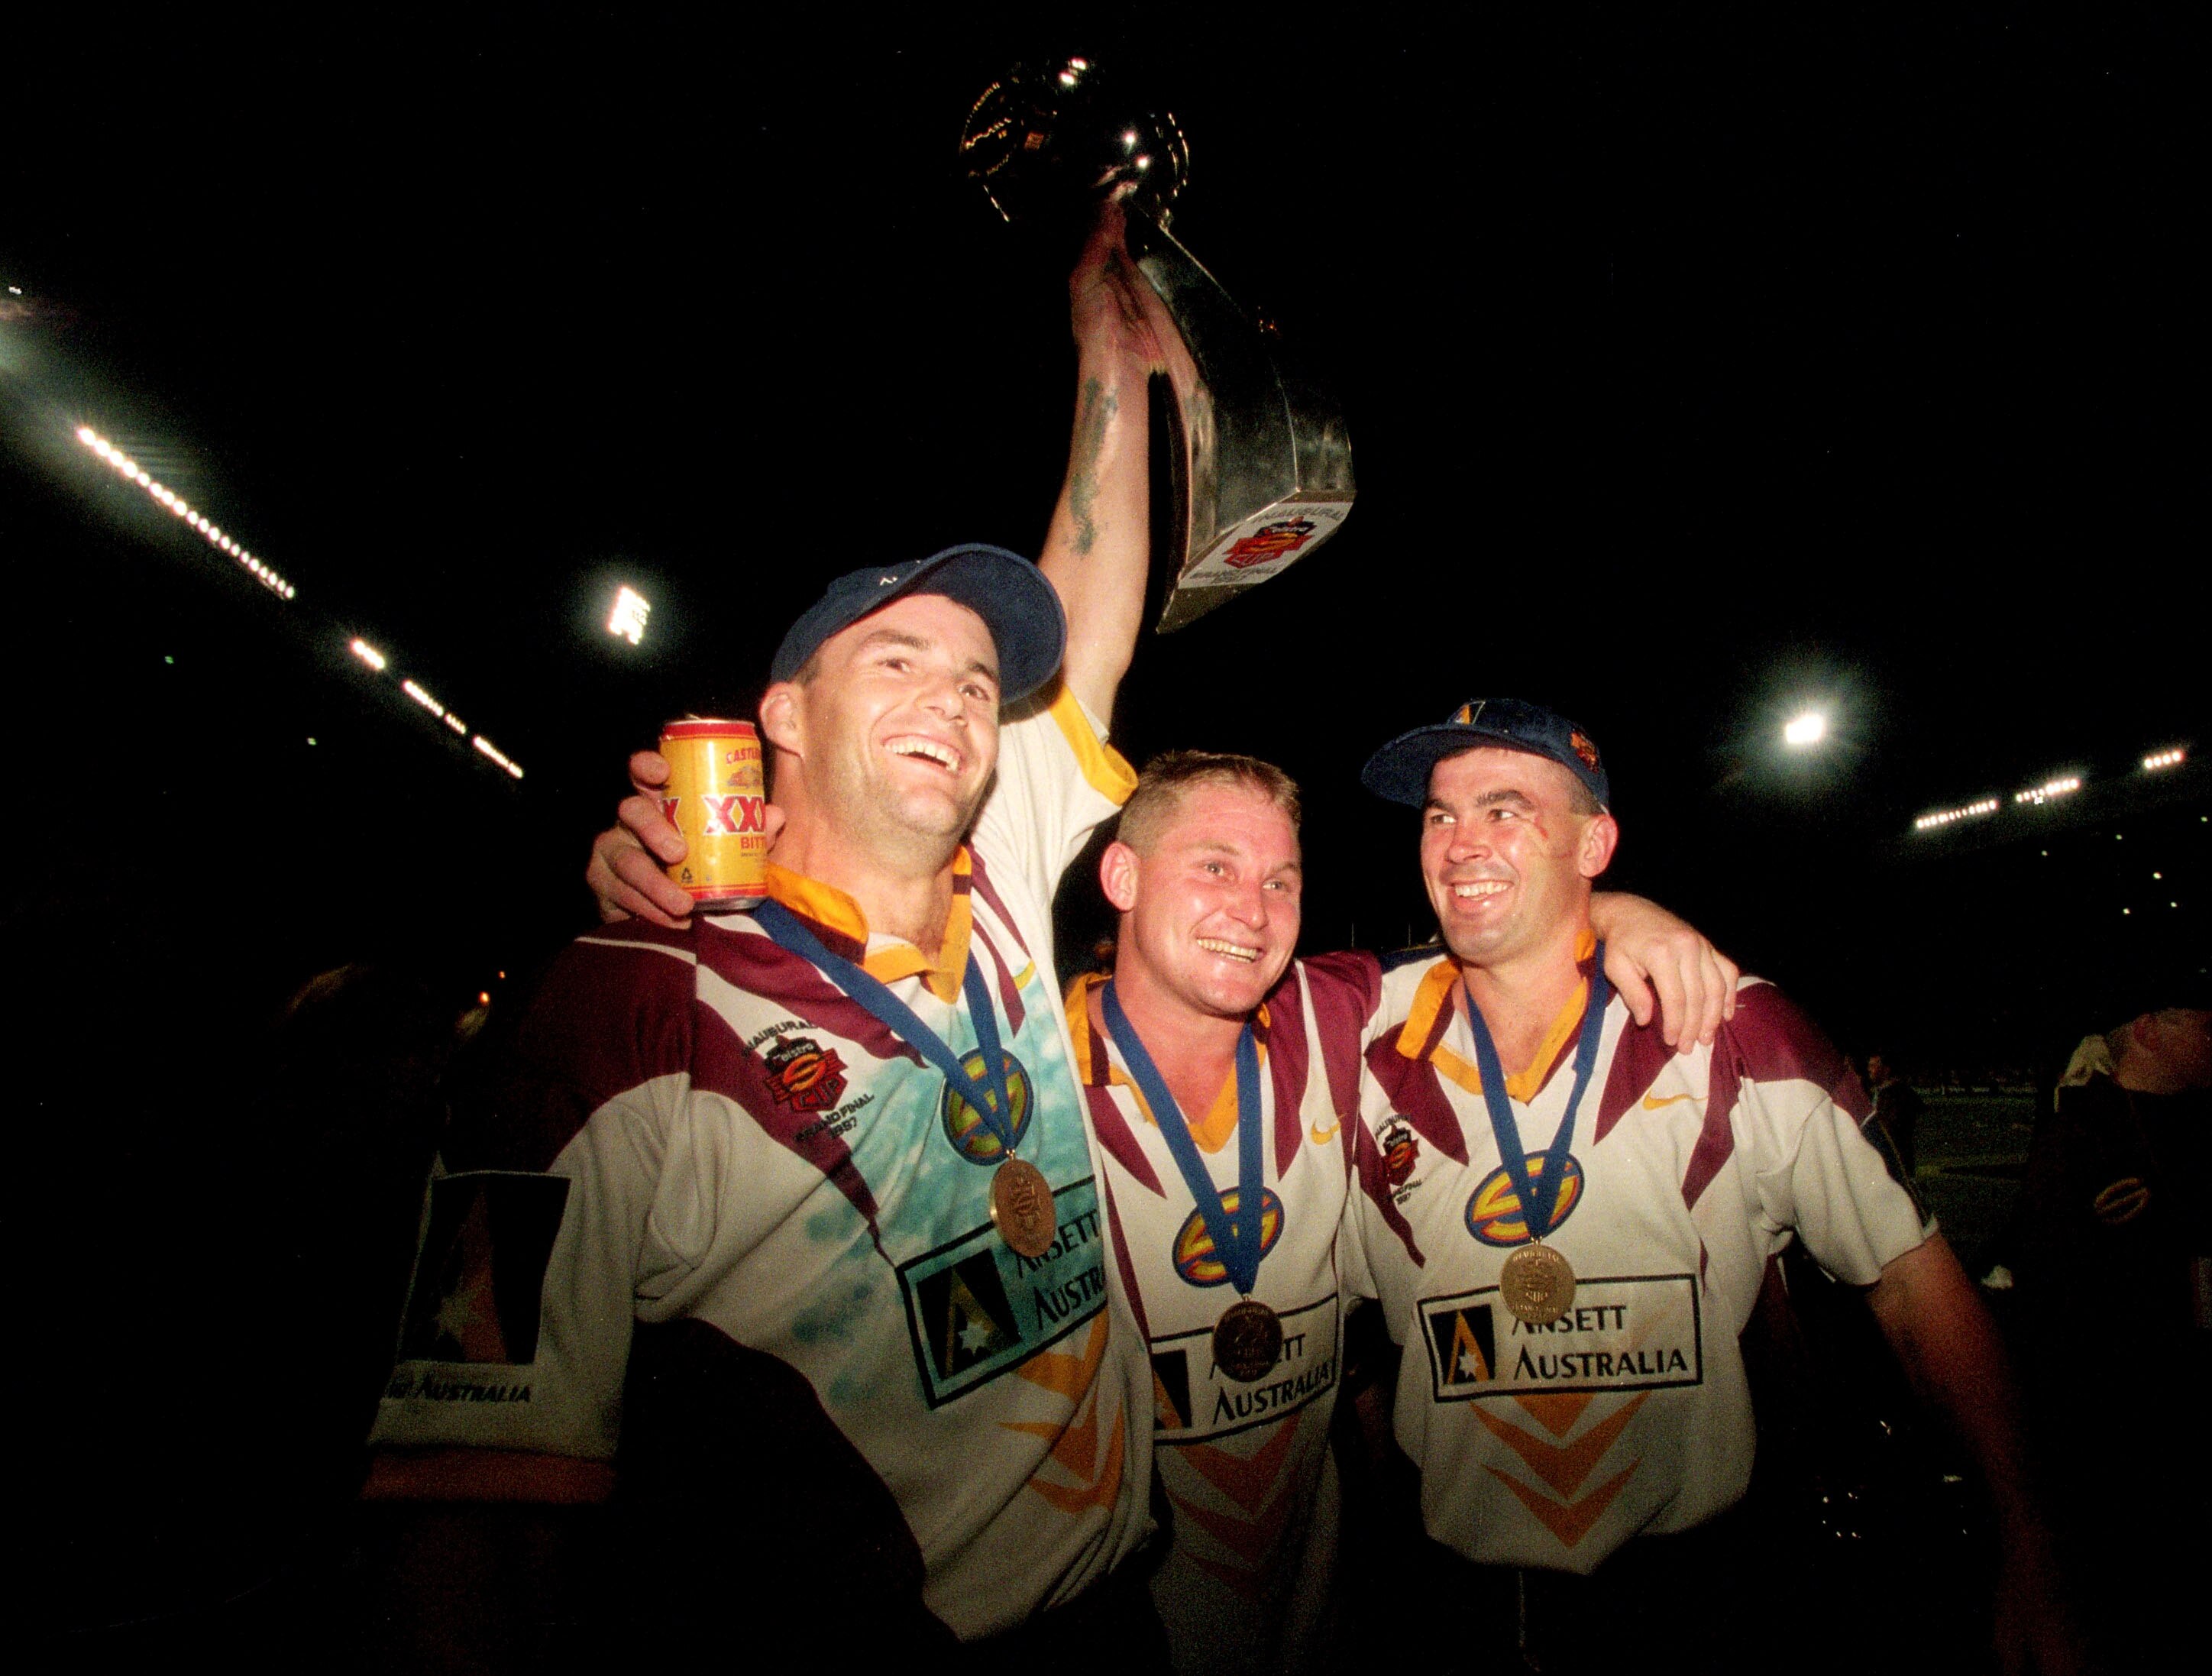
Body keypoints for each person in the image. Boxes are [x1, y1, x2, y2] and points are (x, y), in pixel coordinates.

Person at [364, 209, 1179, 1667]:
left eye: (977, 679)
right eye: (896, 658)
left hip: (1117, 1611)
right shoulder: (619, 1012)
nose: (951, 695)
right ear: (781, 714)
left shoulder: (997, 867)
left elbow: (1093, 590)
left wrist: (1103, 354)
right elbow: (473, 1509)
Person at [1340, 697, 2078, 1676]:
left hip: (1705, 1606)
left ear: (1594, 841)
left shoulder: (1737, 1027)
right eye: (1440, 814)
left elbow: (1912, 1287)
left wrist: (2032, 1549)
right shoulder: (1351, 1041)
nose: (1461, 842)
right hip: (1452, 1610)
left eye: (1505, 808)